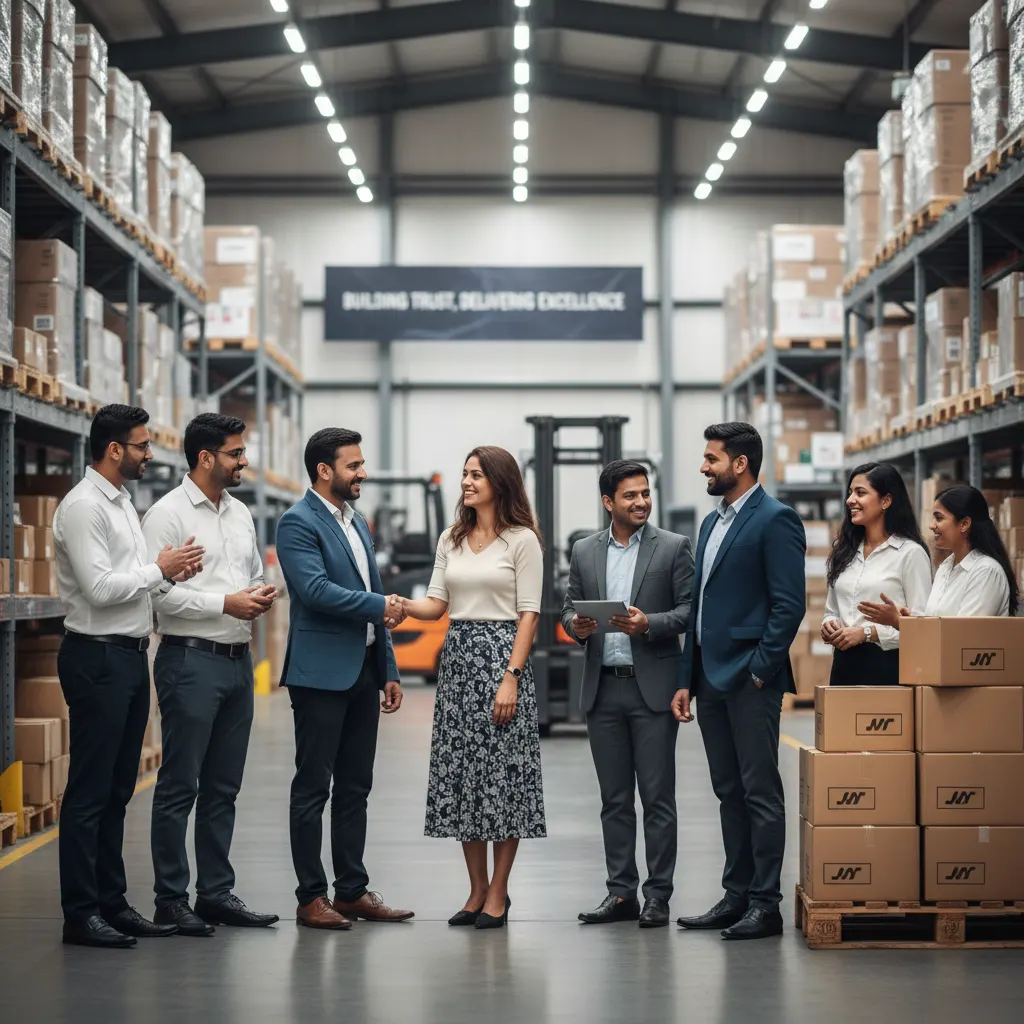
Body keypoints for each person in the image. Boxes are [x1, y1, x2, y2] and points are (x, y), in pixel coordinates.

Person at [53, 405, 205, 948]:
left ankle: (111, 903)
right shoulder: (82, 507)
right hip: (96, 657)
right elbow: (99, 589)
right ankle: (80, 914)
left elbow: (135, 581)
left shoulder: (121, 503)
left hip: (128, 656)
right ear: (114, 449)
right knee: (90, 791)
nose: (148, 453)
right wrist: (156, 569)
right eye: (141, 445)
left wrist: (169, 569)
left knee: (118, 788)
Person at [142, 413, 280, 936]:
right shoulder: (167, 516)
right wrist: (225, 603)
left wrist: (257, 595)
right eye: (235, 453)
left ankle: (216, 894)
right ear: (205, 458)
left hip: (236, 663)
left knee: (224, 787)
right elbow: (156, 595)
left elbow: (247, 576)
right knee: (180, 784)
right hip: (189, 661)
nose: (244, 460)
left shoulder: (240, 513)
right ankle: (170, 899)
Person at [397, 446, 545, 930]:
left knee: (505, 782)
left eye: (476, 474)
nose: (466, 481)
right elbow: (436, 606)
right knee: (464, 780)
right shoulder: (451, 538)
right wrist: (397, 603)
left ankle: (499, 891)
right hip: (459, 664)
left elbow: (529, 614)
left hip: (503, 660)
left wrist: (511, 678)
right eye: (464, 473)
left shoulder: (522, 541)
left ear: (500, 482)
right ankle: (476, 889)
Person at [671, 422, 805, 941]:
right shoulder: (711, 524)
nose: (704, 467)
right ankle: (736, 894)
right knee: (728, 790)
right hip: (709, 678)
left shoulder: (776, 520)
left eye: (711, 458)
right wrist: (687, 677)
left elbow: (788, 604)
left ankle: (766, 904)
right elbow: (700, 608)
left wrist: (759, 669)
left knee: (759, 791)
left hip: (750, 679)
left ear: (741, 463)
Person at [276, 427, 412, 930]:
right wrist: (384, 606)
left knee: (356, 786)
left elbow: (371, 592)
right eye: (354, 465)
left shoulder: (357, 522)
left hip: (362, 671)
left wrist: (388, 669)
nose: (363, 472)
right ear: (324, 471)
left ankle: (351, 890)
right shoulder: (297, 523)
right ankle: (311, 896)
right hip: (319, 676)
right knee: (313, 787)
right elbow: (315, 591)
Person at [561, 460, 694, 929]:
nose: (641, 502)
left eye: (645, 494)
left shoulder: (673, 548)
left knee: (658, 799)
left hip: (651, 690)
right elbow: (567, 606)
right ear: (607, 502)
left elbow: (688, 612)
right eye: (630, 496)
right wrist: (574, 626)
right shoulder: (584, 551)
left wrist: (648, 624)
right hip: (604, 690)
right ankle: (621, 894)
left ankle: (658, 895)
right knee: (614, 800)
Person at [820, 463, 932, 686]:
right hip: (844, 665)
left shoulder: (910, 554)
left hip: (887, 666)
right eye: (850, 492)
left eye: (860, 493)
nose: (850, 500)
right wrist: (830, 624)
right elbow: (832, 609)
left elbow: (923, 628)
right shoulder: (845, 551)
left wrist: (867, 633)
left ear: (886, 501)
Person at [859, 484, 1017, 627]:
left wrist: (898, 622)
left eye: (939, 518)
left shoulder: (986, 572)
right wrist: (907, 618)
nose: (931, 525)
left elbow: (965, 634)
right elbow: (937, 623)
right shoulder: (945, 567)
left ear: (964, 524)